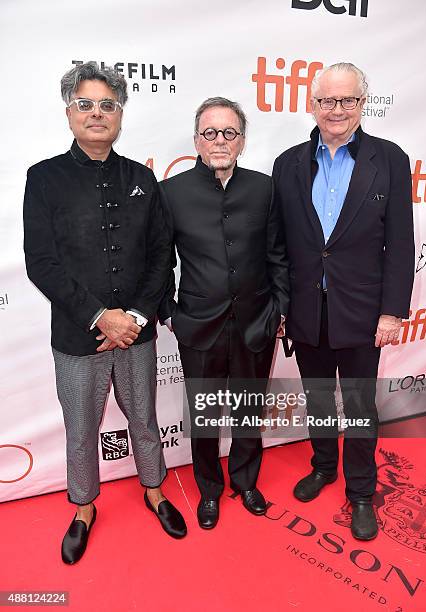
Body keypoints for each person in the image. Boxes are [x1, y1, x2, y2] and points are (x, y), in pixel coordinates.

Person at [23, 62, 187, 564]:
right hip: (78, 335)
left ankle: (155, 490)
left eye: (107, 105)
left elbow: (162, 252)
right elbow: (42, 263)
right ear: (70, 114)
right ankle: (83, 506)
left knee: (144, 417)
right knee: (80, 428)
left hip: (137, 332)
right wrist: (100, 316)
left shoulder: (141, 178)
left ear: (121, 114)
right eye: (86, 105)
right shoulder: (44, 178)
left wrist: (135, 316)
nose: (97, 114)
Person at [273, 63, 414, 540]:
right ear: (312, 105)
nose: (336, 110)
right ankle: (322, 467)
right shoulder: (288, 163)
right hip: (306, 308)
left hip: (363, 310)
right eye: (327, 101)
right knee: (316, 399)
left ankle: (360, 491)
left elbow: (400, 241)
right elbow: (280, 245)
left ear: (362, 103)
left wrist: (393, 311)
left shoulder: (390, 159)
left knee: (358, 405)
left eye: (347, 100)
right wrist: (281, 308)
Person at [159, 97, 289, 529]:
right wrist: (170, 313)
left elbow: (278, 255)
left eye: (229, 132)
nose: (220, 140)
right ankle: (209, 491)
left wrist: (279, 309)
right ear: (197, 140)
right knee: (205, 415)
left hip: (257, 322)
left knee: (248, 409)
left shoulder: (264, 188)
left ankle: (246, 481)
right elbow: (159, 260)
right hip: (198, 324)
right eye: (211, 132)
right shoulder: (172, 192)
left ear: (242, 141)